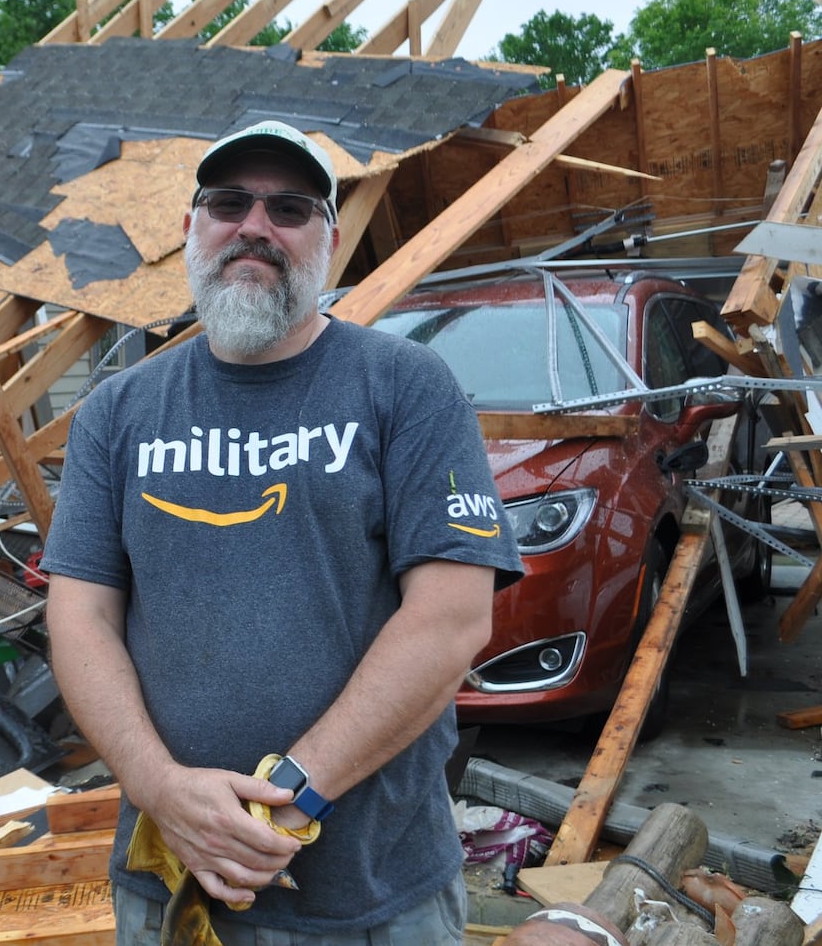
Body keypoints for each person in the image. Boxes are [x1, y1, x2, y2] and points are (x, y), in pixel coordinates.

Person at [40, 119, 524, 945]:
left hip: (375, 900)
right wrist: (161, 789)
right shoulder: (118, 412)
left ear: (329, 240)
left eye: (290, 208)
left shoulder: (405, 386)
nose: (255, 226)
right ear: (191, 229)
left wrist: (291, 795)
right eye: (229, 203)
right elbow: (79, 618)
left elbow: (451, 618)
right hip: (168, 883)